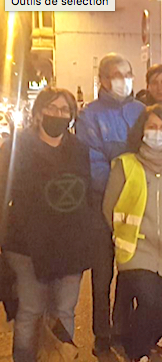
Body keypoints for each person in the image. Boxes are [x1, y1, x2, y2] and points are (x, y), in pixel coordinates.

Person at [0, 87, 96, 361]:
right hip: (26, 246)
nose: (58, 114)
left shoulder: (79, 149)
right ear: (39, 112)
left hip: (69, 246)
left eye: (64, 110)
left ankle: (59, 357)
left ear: (72, 116)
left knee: (64, 311)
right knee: (30, 310)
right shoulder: (17, 147)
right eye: (51, 108)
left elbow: (85, 194)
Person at [102, 105, 162, 362]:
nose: (157, 133)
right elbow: (109, 207)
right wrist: (125, 233)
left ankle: (134, 341)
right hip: (137, 249)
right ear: (141, 131)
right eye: (152, 127)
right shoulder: (125, 164)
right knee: (149, 302)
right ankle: (138, 353)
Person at [75, 53, 145, 355]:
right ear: (103, 80)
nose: (123, 80)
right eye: (116, 75)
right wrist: (121, 190)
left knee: (131, 271)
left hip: (137, 207)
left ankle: (123, 326)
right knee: (102, 273)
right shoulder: (90, 116)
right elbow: (94, 161)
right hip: (102, 205)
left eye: (127, 73)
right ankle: (101, 332)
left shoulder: (142, 111)